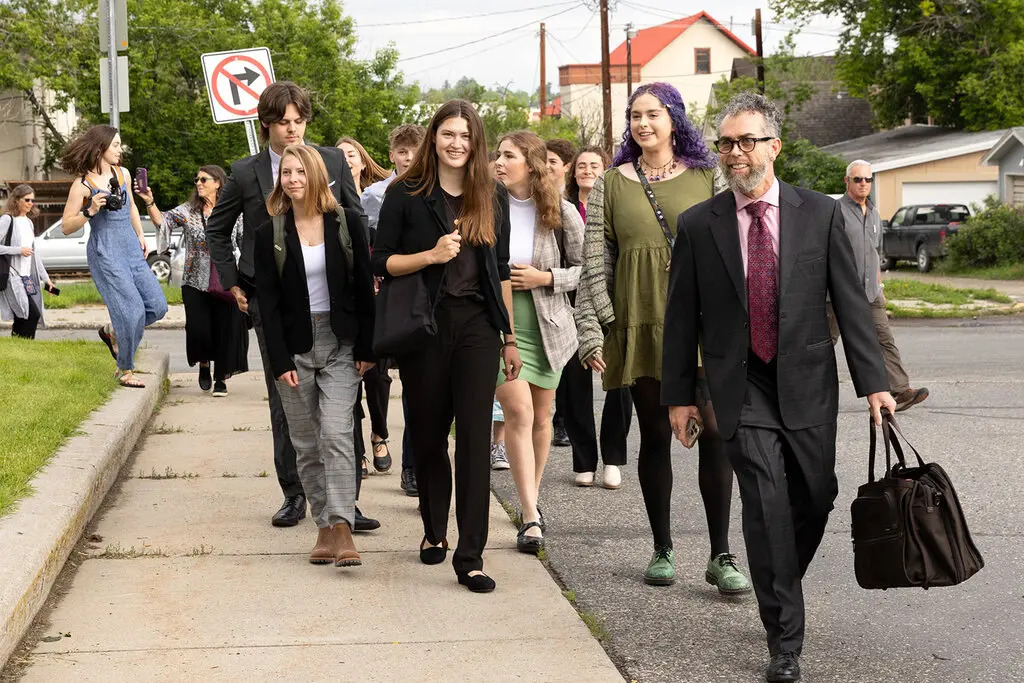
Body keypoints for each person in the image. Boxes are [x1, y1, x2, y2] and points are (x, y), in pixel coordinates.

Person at [662, 92, 897, 683]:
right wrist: (679, 396)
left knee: (817, 496)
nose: (735, 153)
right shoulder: (698, 224)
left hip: (808, 382)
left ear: (775, 146)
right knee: (765, 504)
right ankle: (784, 638)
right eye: (726, 143)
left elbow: (852, 300)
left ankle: (777, 578)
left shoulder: (821, 213)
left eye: (746, 141)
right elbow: (680, 316)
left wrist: (876, 383)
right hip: (740, 388)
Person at [575, 82, 750, 593]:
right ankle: (662, 548)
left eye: (653, 113)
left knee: (716, 431)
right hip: (639, 320)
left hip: (702, 325)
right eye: (634, 115)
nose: (643, 123)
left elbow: (736, 239)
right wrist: (594, 329)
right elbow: (594, 261)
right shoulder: (611, 182)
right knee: (653, 435)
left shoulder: (707, 175)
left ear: (674, 119)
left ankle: (721, 553)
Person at [205, 81, 377, 531]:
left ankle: (347, 502)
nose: (293, 130)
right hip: (272, 304)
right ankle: (294, 493)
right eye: (284, 123)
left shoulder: (334, 160)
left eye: (300, 121)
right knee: (287, 402)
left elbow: (354, 221)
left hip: (333, 302)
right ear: (267, 124)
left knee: (344, 409)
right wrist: (232, 283)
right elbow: (217, 232)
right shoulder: (246, 171)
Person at [372, 99, 521, 593]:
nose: (456, 143)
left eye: (465, 135)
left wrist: (509, 336)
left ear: (475, 142)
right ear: (434, 137)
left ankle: (471, 555)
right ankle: (434, 530)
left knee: (476, 440)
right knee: (431, 435)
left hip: (478, 327)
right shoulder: (406, 193)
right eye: (448, 134)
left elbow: (499, 272)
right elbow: (382, 263)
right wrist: (430, 255)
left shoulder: (491, 195)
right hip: (425, 327)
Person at [253, 144, 376, 568]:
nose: (292, 180)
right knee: (305, 442)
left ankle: (342, 526)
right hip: (293, 347)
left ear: (316, 175)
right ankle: (323, 527)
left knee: (337, 434)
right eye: (286, 172)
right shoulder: (269, 231)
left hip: (341, 341)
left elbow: (364, 286)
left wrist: (367, 346)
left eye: (300, 172)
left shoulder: (347, 221)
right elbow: (265, 303)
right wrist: (279, 360)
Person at [493, 130, 583, 555]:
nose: (498, 161)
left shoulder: (561, 212)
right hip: (499, 324)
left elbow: (588, 270)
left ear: (529, 163)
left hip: (548, 323)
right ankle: (530, 514)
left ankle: (533, 495)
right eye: (496, 154)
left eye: (507, 155)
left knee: (543, 418)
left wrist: (545, 277)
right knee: (519, 411)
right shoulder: (486, 206)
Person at [59, 126, 168, 386]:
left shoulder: (124, 174)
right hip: (105, 250)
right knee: (130, 311)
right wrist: (90, 211)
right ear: (101, 148)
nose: (121, 150)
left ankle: (113, 332)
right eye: (116, 145)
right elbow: (65, 226)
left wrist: (141, 235)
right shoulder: (82, 185)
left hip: (130, 245)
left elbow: (130, 205)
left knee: (157, 306)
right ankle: (125, 370)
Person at [558, 147, 634, 488]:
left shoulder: (618, 204)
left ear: (606, 170)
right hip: (569, 303)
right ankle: (584, 459)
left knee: (619, 380)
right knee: (573, 385)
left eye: (595, 165)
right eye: (582, 166)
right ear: (573, 173)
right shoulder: (561, 209)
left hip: (614, 300)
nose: (587, 170)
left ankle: (613, 459)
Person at [827, 160, 929, 412]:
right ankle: (799, 391)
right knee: (823, 343)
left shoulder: (874, 213)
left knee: (884, 339)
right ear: (847, 181)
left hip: (871, 292)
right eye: (858, 179)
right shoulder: (834, 212)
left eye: (867, 180)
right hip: (839, 292)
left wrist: (880, 288)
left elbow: (875, 254)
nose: (863, 184)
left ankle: (900, 391)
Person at [138, 166, 248, 396]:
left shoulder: (232, 211)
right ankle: (204, 364)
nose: (198, 183)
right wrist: (149, 201)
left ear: (218, 182)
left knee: (223, 329)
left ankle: (221, 379)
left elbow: (244, 241)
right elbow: (163, 221)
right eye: (196, 179)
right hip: (194, 280)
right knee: (199, 329)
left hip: (226, 279)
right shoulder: (188, 210)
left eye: (204, 179)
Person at [360, 124, 427, 496]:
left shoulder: (435, 189)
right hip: (388, 292)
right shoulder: (375, 195)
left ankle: (413, 467)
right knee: (379, 377)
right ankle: (378, 435)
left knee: (420, 387)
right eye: (402, 152)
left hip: (425, 297)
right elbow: (372, 247)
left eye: (415, 151)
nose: (408, 158)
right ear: (392, 155)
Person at [545, 137, 577, 448]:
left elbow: (583, 266)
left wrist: (547, 278)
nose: (545, 166)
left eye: (552, 161)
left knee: (567, 371)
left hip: (562, 300)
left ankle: (563, 423)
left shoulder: (568, 208)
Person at [0, 185, 52, 338]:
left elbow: (34, 255)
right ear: (16, 200)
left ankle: (18, 348)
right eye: (27, 200)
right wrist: (18, 250)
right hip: (12, 275)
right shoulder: (7, 220)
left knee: (22, 316)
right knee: (31, 314)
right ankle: (26, 346)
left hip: (26, 277)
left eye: (32, 200)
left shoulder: (28, 222)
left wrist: (46, 279)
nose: (31, 203)